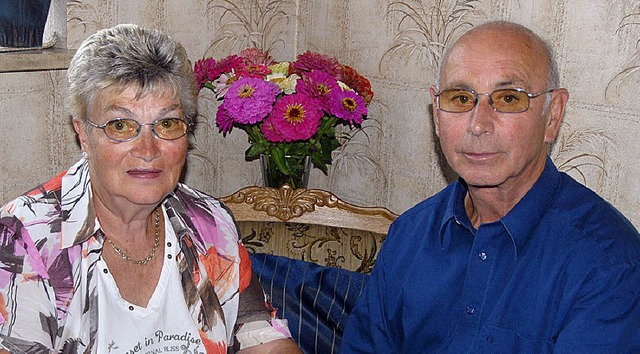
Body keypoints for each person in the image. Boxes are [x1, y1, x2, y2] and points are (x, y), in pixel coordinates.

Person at [340, 20, 640, 353]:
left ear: (552, 116)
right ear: (437, 115)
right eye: (460, 97)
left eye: (508, 98)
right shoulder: (410, 235)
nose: (479, 124)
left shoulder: (610, 266)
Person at [0, 24, 301, 353]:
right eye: (121, 125)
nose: (148, 149)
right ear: (83, 133)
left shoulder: (207, 222)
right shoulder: (26, 237)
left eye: (167, 123)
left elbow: (260, 337)